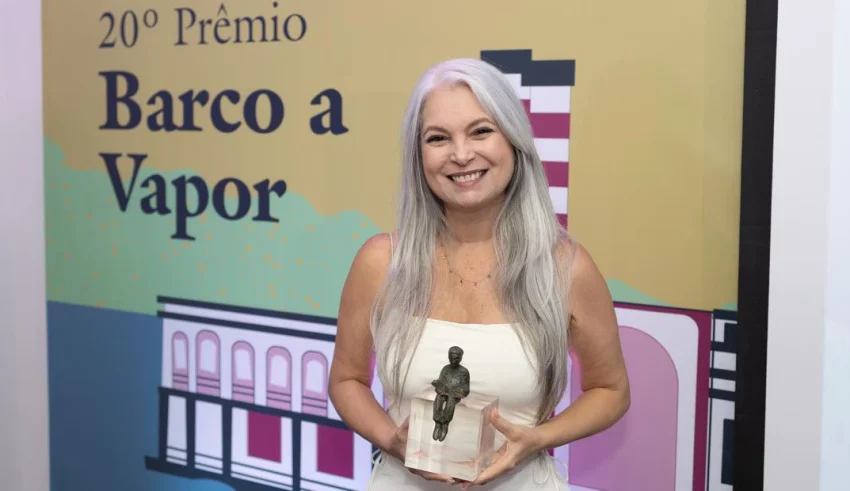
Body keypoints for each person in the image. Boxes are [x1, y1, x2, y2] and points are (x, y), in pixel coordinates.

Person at [328, 58, 630, 490]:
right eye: (438, 138)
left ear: (514, 140)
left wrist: (538, 439)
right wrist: (390, 440)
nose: (461, 154)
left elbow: (611, 390)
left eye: (481, 131)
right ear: (418, 156)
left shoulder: (565, 267)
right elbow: (346, 380)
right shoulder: (381, 262)